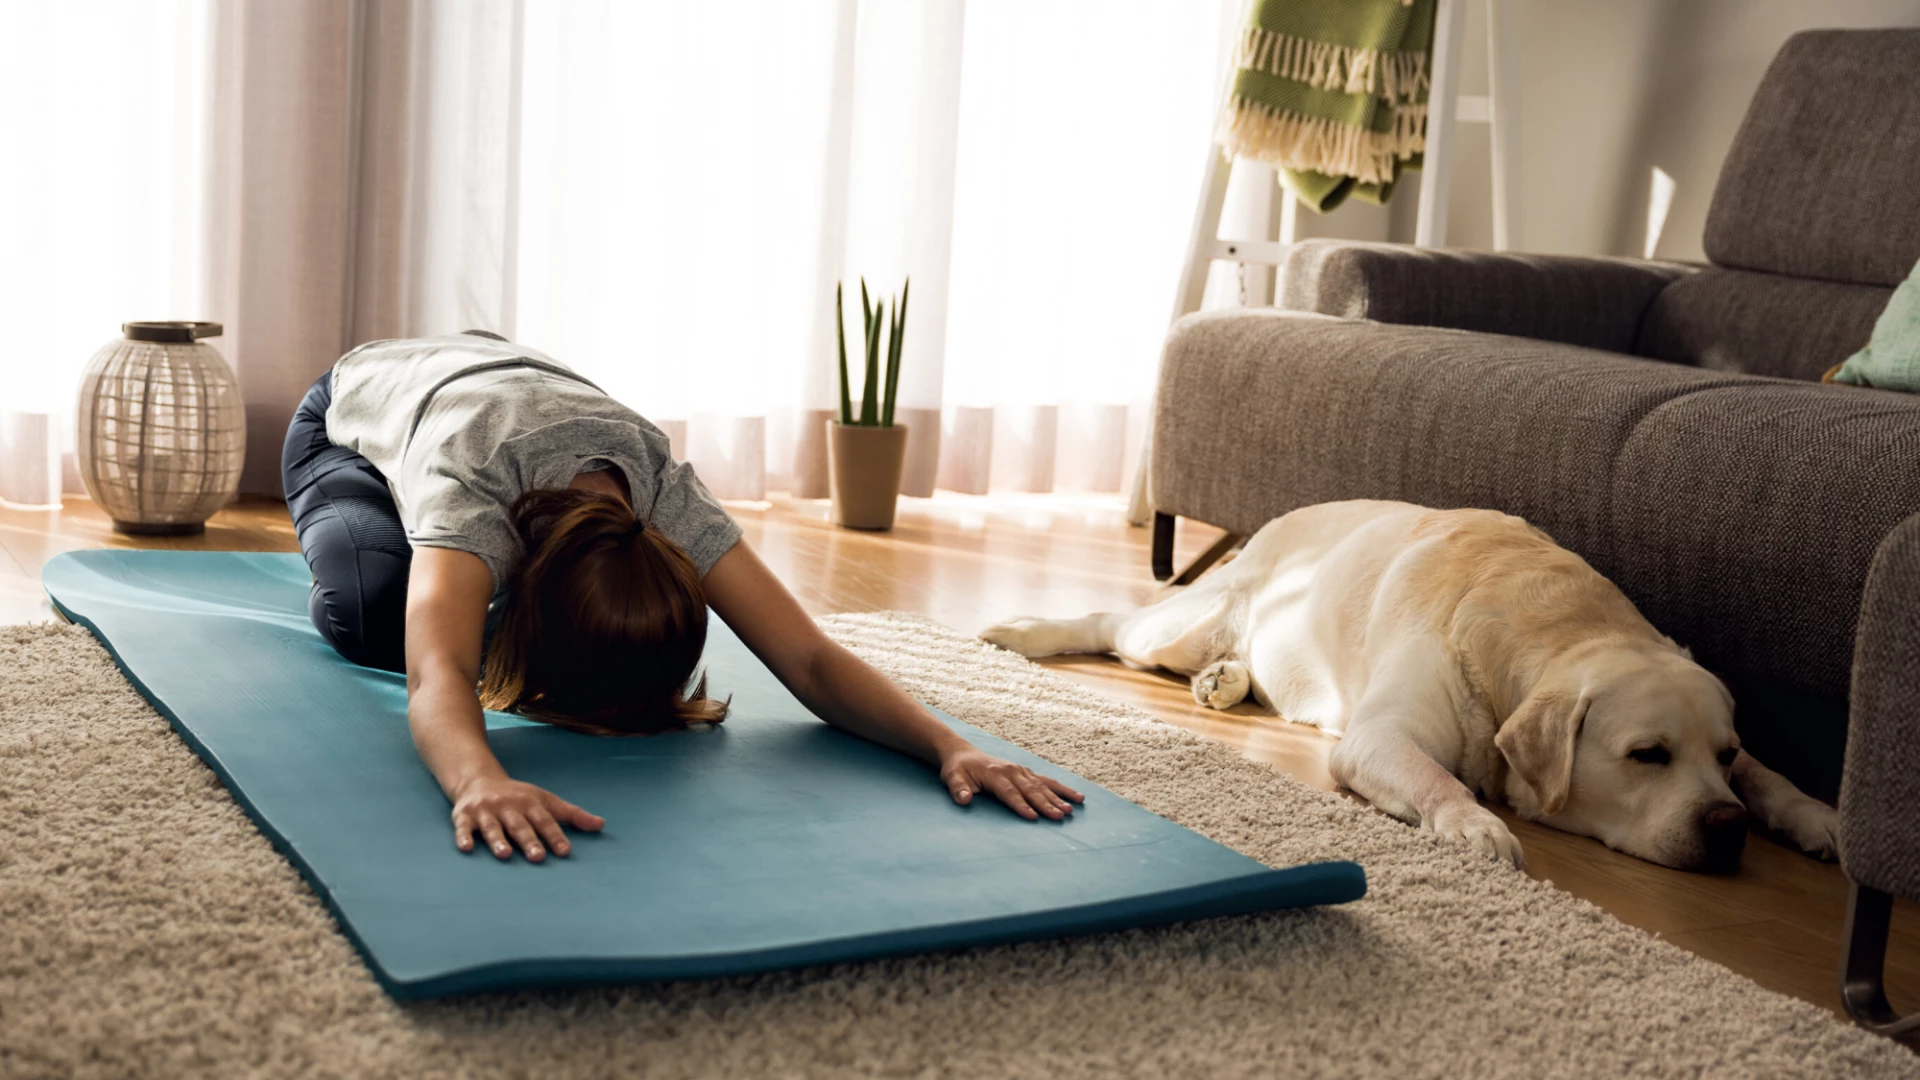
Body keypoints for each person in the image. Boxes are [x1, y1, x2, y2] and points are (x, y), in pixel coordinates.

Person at [281, 330, 1081, 862]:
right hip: (355, 412)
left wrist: (951, 747)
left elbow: (807, 655)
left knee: (449, 601)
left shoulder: (664, 494)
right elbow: (440, 675)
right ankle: (408, 548)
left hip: (496, 373)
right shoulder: (470, 489)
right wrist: (478, 778)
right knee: (375, 616)